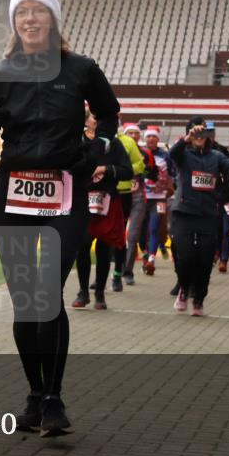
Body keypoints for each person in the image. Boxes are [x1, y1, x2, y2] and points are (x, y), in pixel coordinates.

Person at [0, 0, 120, 437]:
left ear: (53, 19)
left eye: (39, 11)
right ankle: (34, 394)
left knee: (47, 294)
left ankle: (55, 399)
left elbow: (110, 114)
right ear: (14, 23)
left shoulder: (81, 69)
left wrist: (97, 153)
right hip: (13, 194)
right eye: (22, 13)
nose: (30, 19)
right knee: (25, 301)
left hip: (64, 194)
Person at [168, 121, 229, 316]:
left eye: (202, 133)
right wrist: (185, 140)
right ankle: (183, 288)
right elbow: (173, 155)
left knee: (205, 260)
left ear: (208, 136)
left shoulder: (216, 156)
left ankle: (198, 299)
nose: (199, 137)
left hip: (207, 214)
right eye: (195, 133)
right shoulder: (184, 154)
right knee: (185, 256)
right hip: (184, 213)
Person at [74, 112, 134, 309]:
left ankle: (100, 292)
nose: (97, 122)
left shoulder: (113, 144)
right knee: (82, 245)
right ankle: (83, 291)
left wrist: (106, 169)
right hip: (82, 199)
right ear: (86, 121)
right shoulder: (76, 140)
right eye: (94, 118)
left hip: (107, 200)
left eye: (101, 119)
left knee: (104, 248)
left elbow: (127, 171)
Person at [121, 124, 154, 284]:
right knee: (115, 236)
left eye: (136, 133)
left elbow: (153, 174)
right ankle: (112, 272)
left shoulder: (146, 153)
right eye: (130, 133)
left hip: (138, 198)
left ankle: (128, 272)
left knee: (132, 235)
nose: (133, 136)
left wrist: (143, 169)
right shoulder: (117, 148)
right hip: (119, 195)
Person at [140, 126, 172, 276]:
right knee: (141, 231)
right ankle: (145, 254)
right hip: (141, 198)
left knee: (154, 229)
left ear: (158, 139)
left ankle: (152, 259)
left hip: (159, 198)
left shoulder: (165, 156)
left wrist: (169, 187)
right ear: (144, 139)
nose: (151, 139)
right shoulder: (139, 153)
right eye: (148, 136)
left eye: (154, 136)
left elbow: (173, 173)